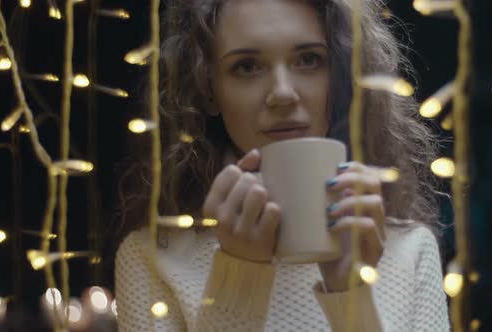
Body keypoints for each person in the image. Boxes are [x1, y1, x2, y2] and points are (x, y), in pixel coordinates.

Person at [114, 0, 450, 331]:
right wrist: (240, 275)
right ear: (207, 90)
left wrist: (351, 295)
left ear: (342, 78)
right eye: (247, 66)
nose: (283, 93)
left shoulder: (409, 250)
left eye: (308, 59)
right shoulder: (152, 258)